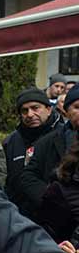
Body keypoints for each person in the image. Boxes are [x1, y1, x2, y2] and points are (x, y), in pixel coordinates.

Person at [21, 85, 79, 219]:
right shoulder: (48, 141)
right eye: (77, 107)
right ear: (66, 112)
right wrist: (51, 198)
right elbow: (28, 176)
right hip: (56, 222)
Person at [3, 88, 63, 215]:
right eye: (24, 111)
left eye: (35, 108)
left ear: (48, 109)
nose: (30, 114)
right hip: (19, 216)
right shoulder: (11, 142)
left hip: (56, 215)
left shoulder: (63, 137)